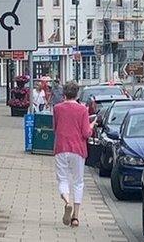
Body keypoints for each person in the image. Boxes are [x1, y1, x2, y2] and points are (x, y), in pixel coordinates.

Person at [53, 81, 94, 228]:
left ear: (64, 93)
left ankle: (67, 202)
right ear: (77, 94)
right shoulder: (83, 110)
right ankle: (75, 217)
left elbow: (55, 128)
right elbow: (86, 133)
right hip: (78, 149)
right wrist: (91, 126)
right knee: (78, 182)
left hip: (61, 148)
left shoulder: (57, 108)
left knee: (63, 180)